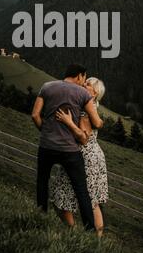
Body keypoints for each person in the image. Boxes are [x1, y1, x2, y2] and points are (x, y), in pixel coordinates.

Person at [31, 64, 103, 231]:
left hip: (46, 146)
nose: (83, 82)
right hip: (70, 150)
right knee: (82, 191)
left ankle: (41, 217)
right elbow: (96, 121)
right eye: (84, 78)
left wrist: (45, 131)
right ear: (79, 76)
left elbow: (35, 114)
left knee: (42, 181)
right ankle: (90, 230)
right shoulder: (83, 93)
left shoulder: (47, 86)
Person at [51, 77, 108, 236]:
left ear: (95, 93)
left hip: (83, 156)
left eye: (88, 84)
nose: (84, 84)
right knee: (92, 200)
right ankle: (96, 241)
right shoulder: (92, 106)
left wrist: (67, 121)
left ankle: (73, 234)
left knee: (60, 195)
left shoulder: (85, 108)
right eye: (85, 82)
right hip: (95, 156)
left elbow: (84, 136)